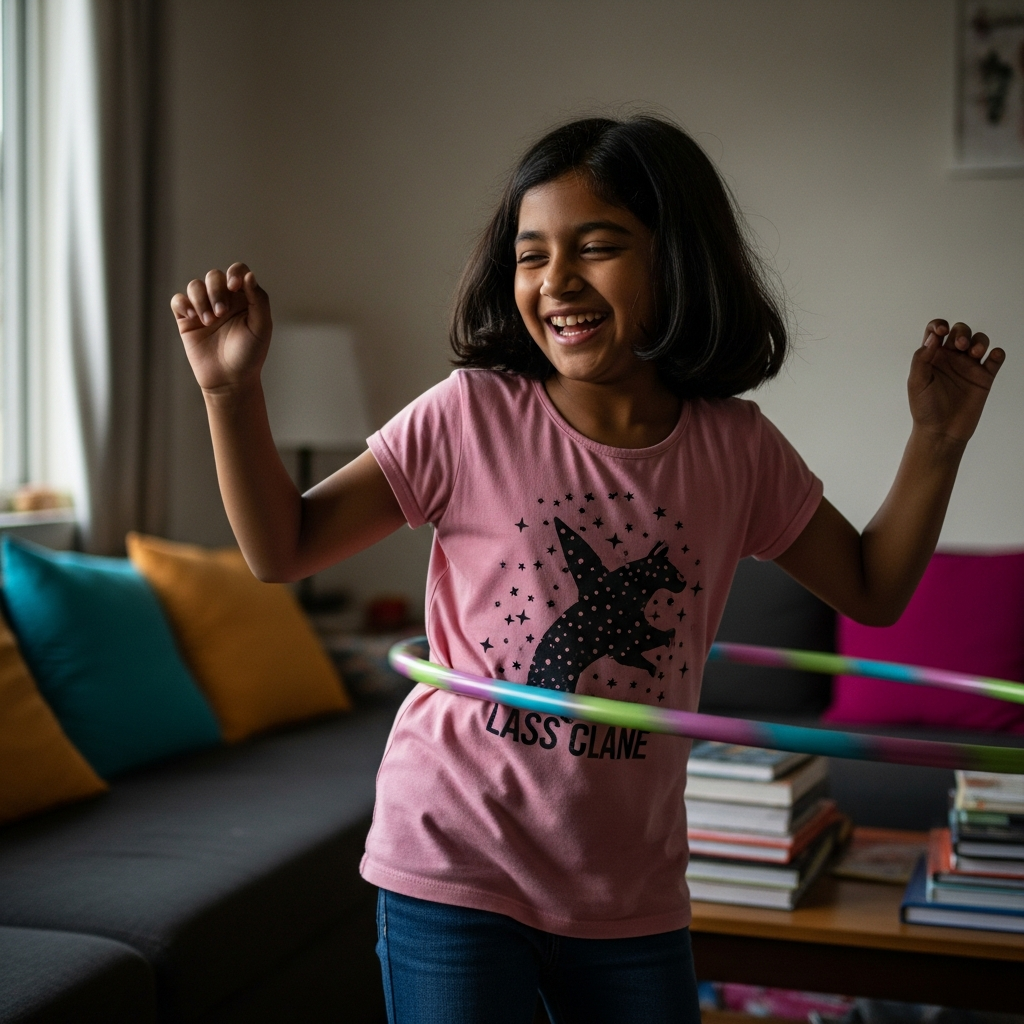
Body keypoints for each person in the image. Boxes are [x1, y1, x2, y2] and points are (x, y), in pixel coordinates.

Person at [171, 115, 1005, 1024]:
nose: (557, 281)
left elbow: (873, 591)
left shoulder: (736, 449)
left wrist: (935, 442)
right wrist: (229, 393)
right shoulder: (471, 415)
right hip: (455, 859)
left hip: (630, 890)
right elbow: (282, 548)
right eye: (531, 256)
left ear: (677, 260)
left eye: (597, 247)